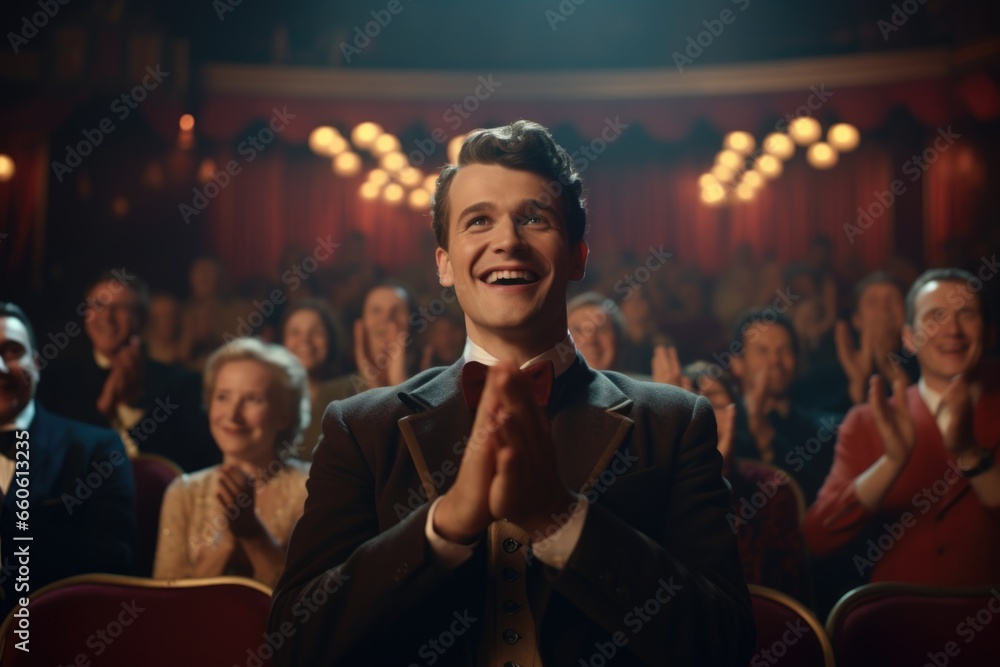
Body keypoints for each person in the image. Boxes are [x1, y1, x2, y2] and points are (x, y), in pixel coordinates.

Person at [270, 120, 754, 665]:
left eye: (534, 218)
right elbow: (293, 643)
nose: (507, 240)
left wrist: (560, 519)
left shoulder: (675, 421)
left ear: (577, 255)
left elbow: (725, 645)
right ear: (445, 264)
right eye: (478, 221)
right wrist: (442, 527)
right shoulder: (359, 427)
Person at [804, 269, 1000, 591]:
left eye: (966, 315)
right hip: (896, 623)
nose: (952, 330)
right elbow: (818, 538)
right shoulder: (869, 420)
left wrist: (970, 453)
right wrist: (891, 463)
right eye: (936, 316)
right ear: (909, 337)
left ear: (989, 334)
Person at [0, 302, 135, 616]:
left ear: (36, 363)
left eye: (12, 352)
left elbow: (116, 565)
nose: (1, 368)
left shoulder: (97, 449)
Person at [153, 338, 310, 588]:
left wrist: (253, 536)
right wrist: (227, 543)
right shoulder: (183, 492)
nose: (233, 415)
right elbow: (165, 606)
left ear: (285, 415)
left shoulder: (312, 490)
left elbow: (310, 604)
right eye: (223, 397)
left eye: (253, 399)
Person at [37, 271, 218, 472]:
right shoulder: (54, 380)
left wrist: (133, 408)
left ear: (142, 318)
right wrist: (104, 407)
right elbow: (50, 457)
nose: (107, 316)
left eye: (121, 308)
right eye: (98, 305)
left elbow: (186, 462)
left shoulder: (180, 383)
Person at [729, 309, 837, 505]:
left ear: (797, 360)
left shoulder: (821, 430)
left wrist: (770, 444)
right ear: (737, 364)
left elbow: (821, 500)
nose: (775, 361)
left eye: (784, 350)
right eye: (762, 351)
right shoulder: (722, 424)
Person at [280, 299, 343, 459]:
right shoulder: (270, 398)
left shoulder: (350, 391)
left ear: (331, 339)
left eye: (316, 332)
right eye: (295, 333)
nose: (305, 341)